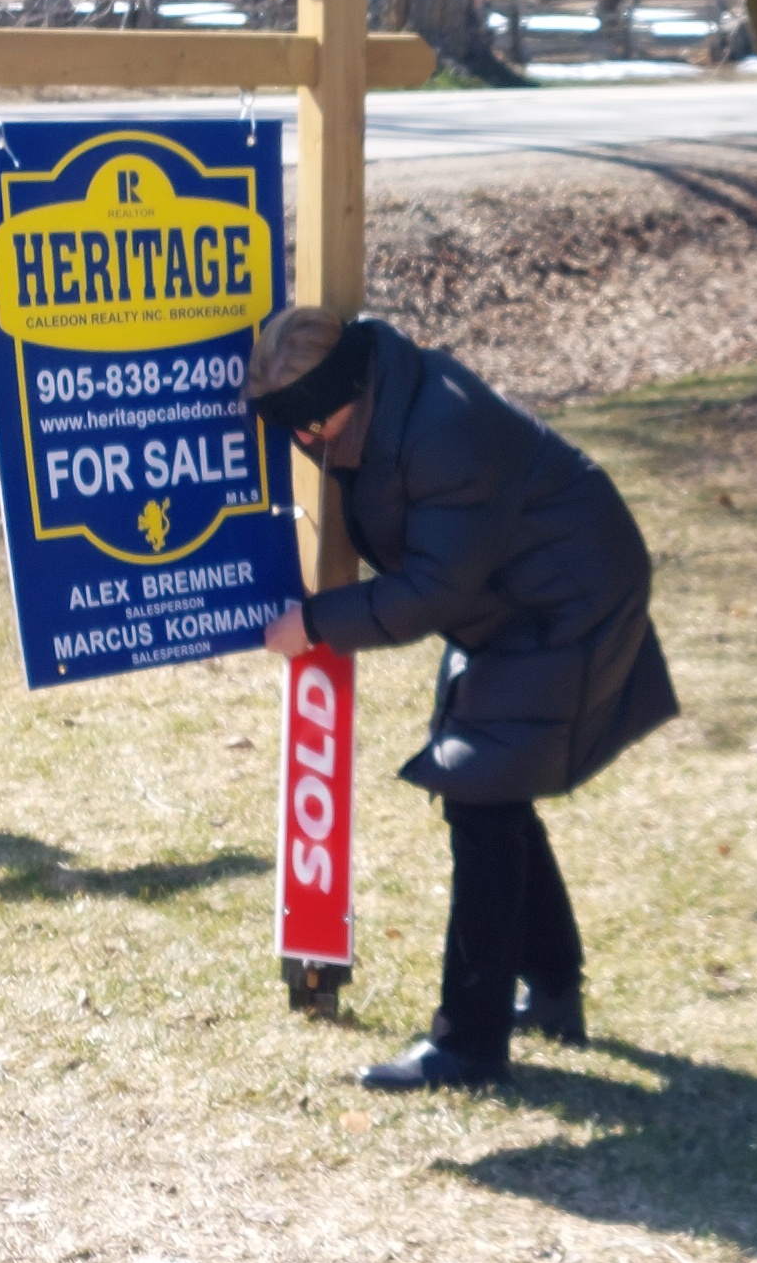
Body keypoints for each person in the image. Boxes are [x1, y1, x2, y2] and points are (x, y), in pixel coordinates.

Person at [249, 305, 678, 1091]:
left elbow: (431, 593)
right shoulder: (374, 395)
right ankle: (552, 990)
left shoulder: (443, 432)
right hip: (517, 594)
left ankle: (469, 1048)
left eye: (314, 424)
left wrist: (314, 622)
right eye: (293, 428)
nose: (306, 440)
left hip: (568, 600)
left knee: (482, 796)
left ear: (347, 389)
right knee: (492, 790)